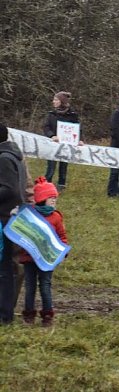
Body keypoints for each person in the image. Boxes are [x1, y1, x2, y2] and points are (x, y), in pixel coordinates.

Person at [19, 177, 67, 326]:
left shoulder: (56, 217)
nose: (53, 201)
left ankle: (47, 314)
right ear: (41, 199)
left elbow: (62, 237)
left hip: (47, 260)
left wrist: (63, 251)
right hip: (29, 258)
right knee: (30, 287)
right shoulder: (30, 216)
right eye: (50, 198)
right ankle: (29, 314)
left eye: (55, 198)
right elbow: (23, 234)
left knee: (45, 286)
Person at [0, 123, 26, 324]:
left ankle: (5, 314)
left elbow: (10, 190)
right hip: (13, 216)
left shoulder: (4, 158)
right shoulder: (14, 155)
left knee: (7, 269)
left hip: (6, 218)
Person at [42, 91, 82, 190]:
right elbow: (46, 127)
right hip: (53, 144)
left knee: (63, 164)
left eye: (56, 100)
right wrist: (52, 136)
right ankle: (48, 185)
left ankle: (61, 185)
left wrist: (79, 139)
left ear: (62, 101)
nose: (53, 102)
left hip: (66, 144)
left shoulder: (72, 114)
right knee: (51, 165)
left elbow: (77, 128)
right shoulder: (51, 114)